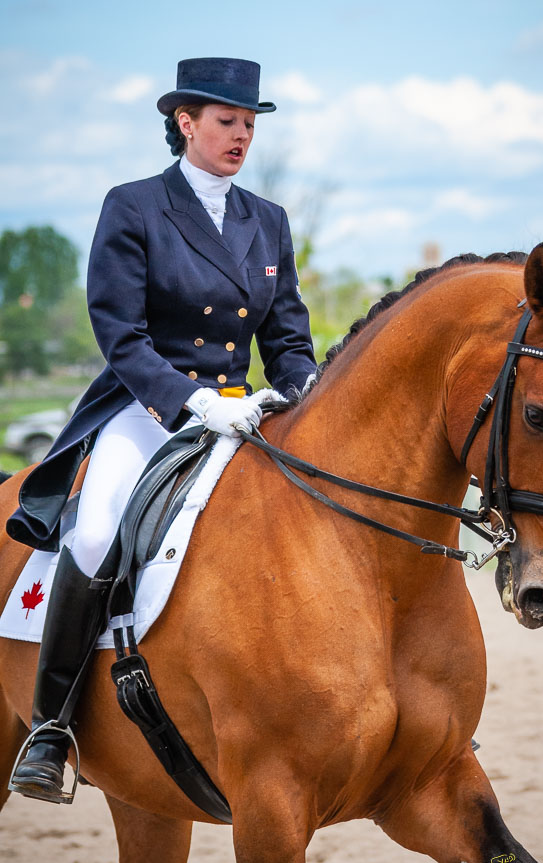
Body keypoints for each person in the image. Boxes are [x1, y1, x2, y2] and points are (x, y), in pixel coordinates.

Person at [7, 57, 317, 803]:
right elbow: (120, 333)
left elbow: (286, 336)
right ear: (186, 122)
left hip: (245, 410)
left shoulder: (267, 219)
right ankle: (51, 727)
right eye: (227, 121)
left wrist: (304, 391)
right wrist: (193, 403)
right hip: (148, 408)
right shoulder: (135, 205)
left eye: (249, 124)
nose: (241, 135)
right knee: (93, 532)